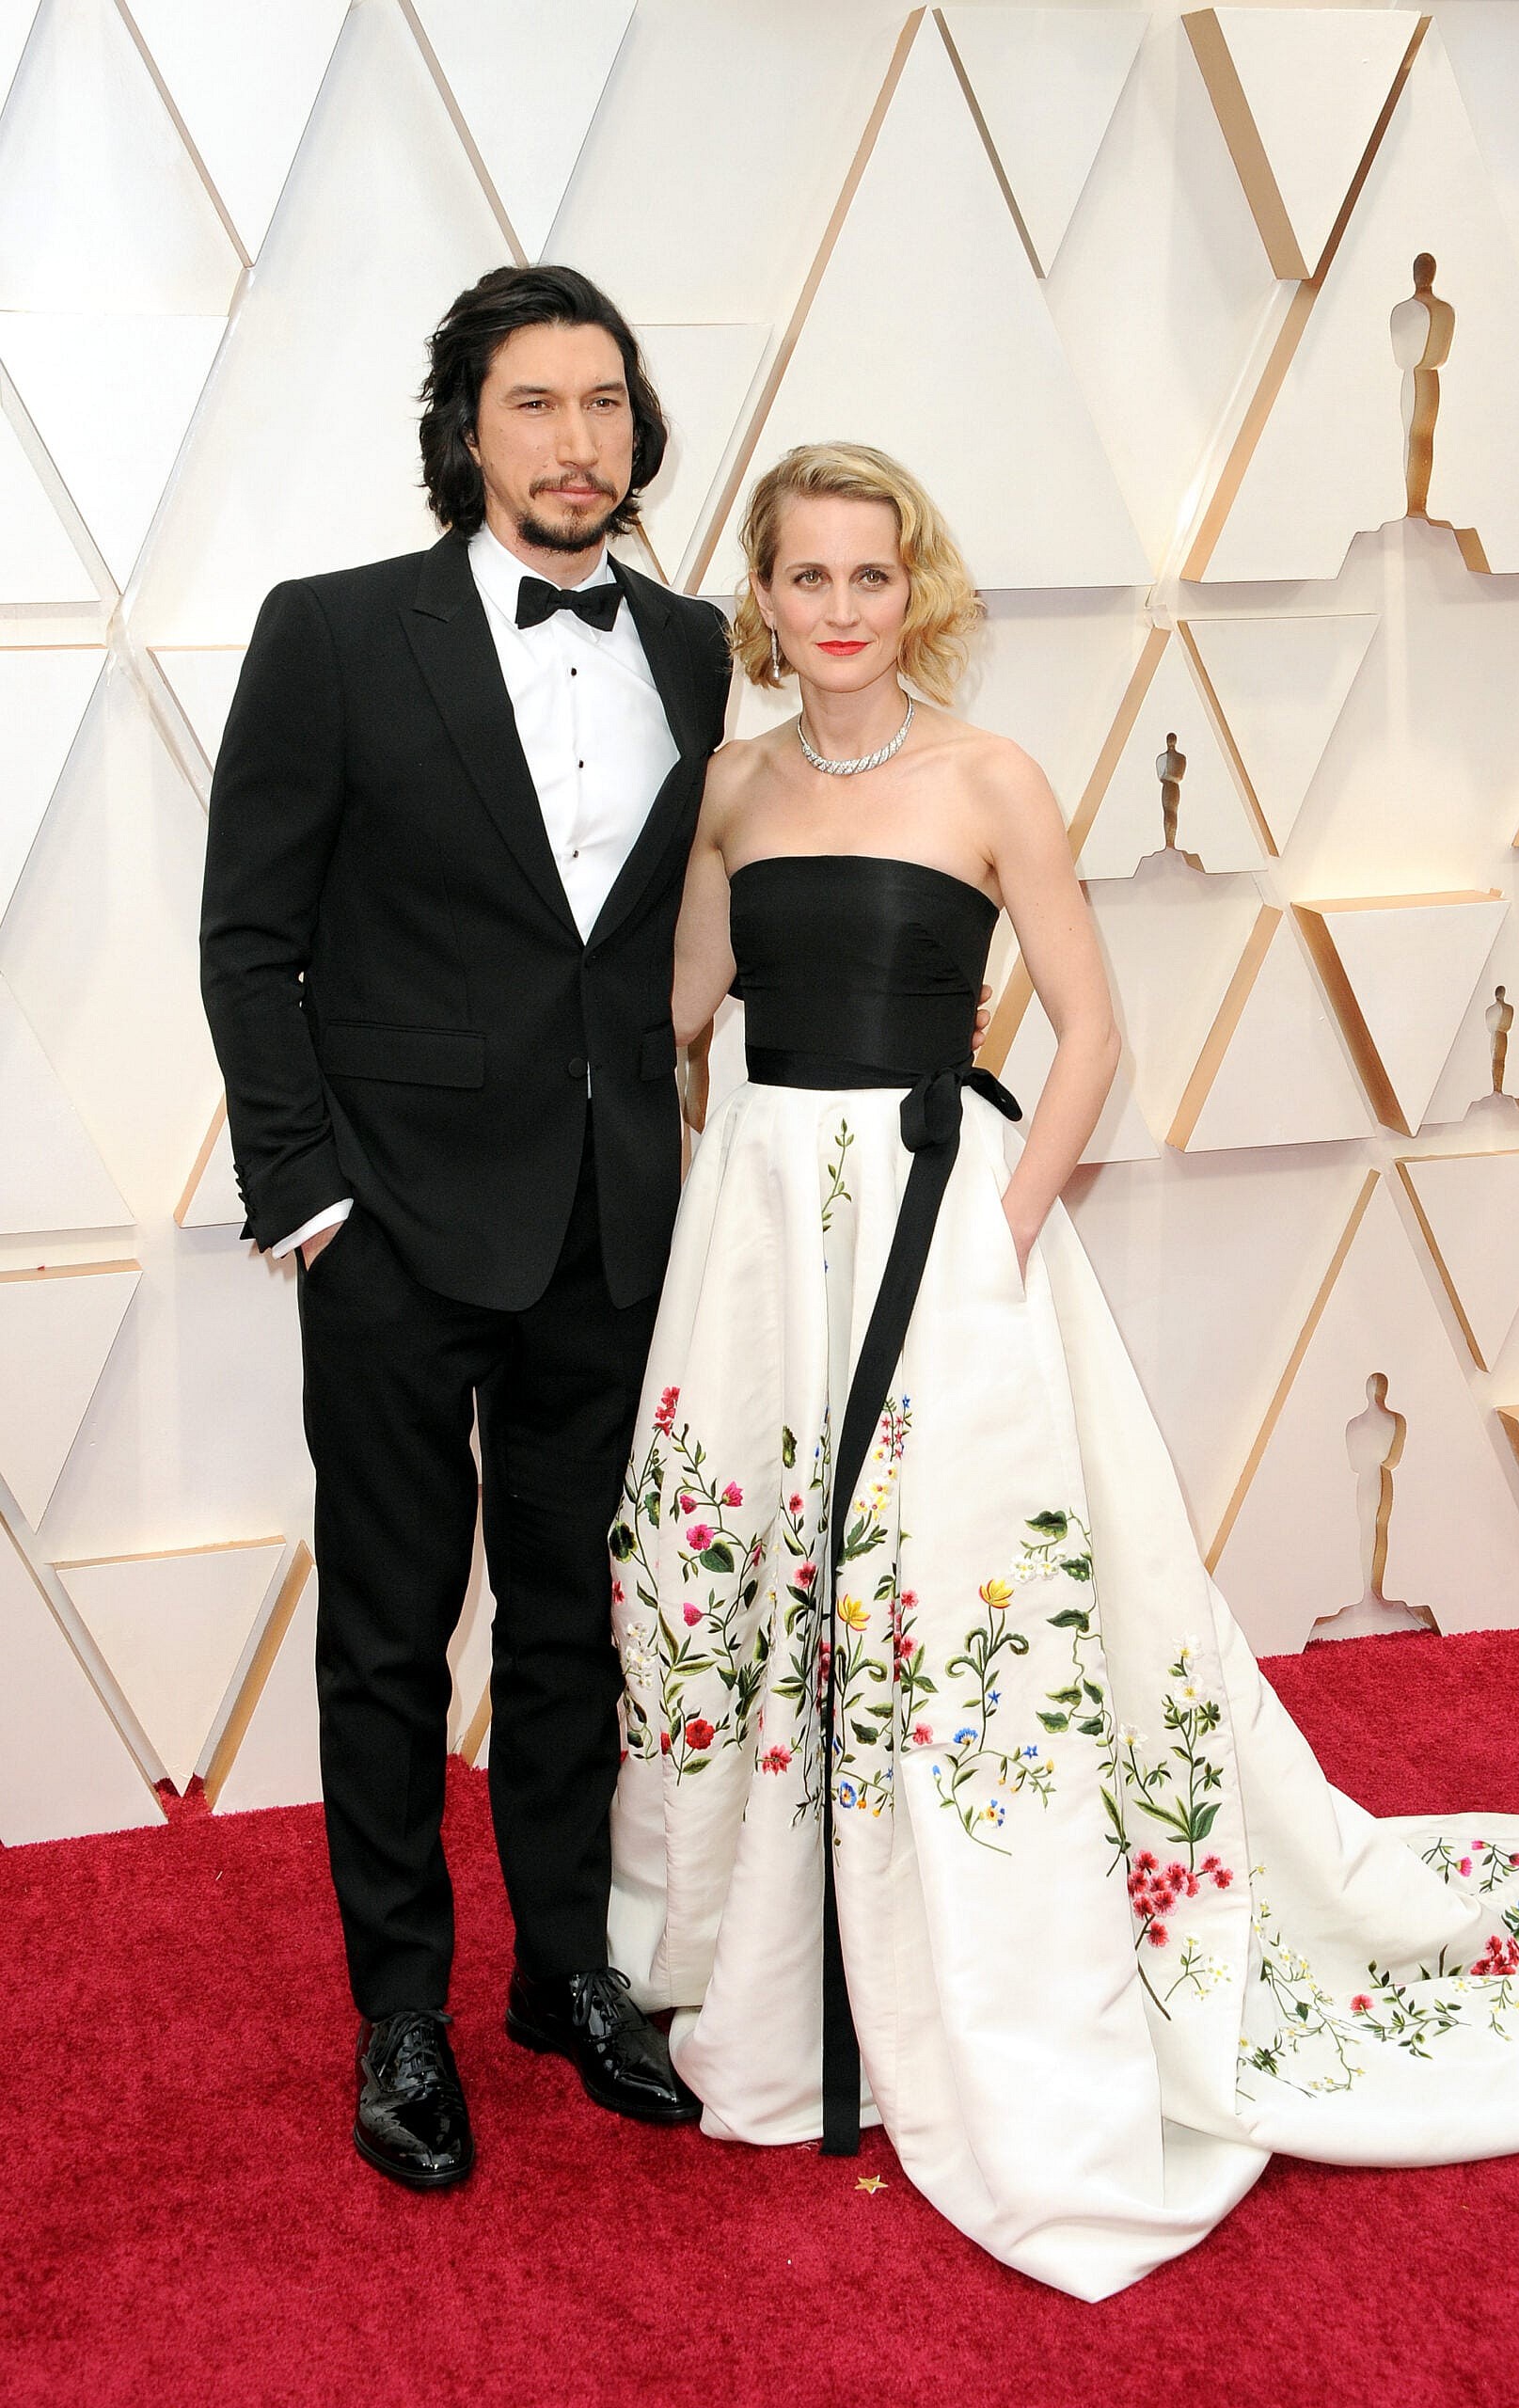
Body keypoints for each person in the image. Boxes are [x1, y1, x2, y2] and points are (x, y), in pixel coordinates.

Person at [605, 441, 1519, 2302]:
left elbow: (1087, 1033)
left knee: (951, 1625)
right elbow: (684, 1017)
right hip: (766, 1239)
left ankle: (980, 1985)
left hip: (941, 1235)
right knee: (759, 1601)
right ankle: (779, 1993)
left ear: (905, 589)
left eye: (866, 576)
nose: (835, 610)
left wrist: (992, 1233)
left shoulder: (988, 777)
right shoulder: (733, 789)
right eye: (803, 579)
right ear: (758, 597)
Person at [200, 265, 727, 2190]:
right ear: (466, 429)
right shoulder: (332, 634)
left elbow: (661, 940)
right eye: (534, 404)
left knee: (580, 1619)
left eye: (602, 401)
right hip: (399, 1228)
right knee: (390, 1634)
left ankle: (565, 1971)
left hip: (608, 1224)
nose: (575, 439)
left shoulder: (690, 646)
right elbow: (250, 934)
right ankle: (401, 2011)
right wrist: (310, 1198)